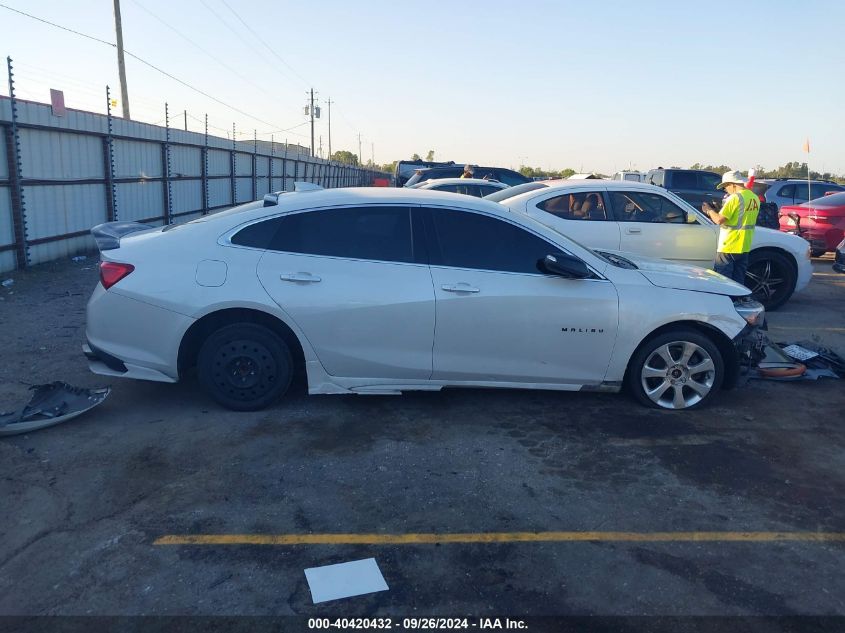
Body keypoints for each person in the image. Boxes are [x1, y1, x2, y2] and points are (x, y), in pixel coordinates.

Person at [702, 170, 760, 284]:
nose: (725, 190)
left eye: (725, 186)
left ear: (732, 184)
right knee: (738, 280)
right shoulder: (754, 198)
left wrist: (709, 210)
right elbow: (740, 217)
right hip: (744, 245)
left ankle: (725, 302)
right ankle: (737, 301)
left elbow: (719, 220)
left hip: (729, 245)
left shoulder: (735, 198)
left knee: (723, 281)